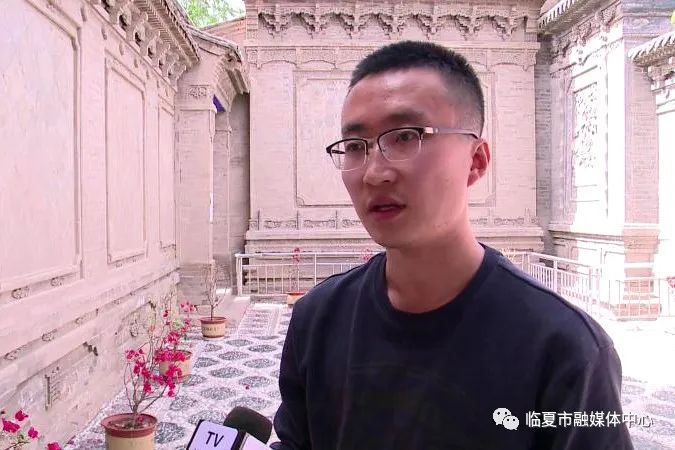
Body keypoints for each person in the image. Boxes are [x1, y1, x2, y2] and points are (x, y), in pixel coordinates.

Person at [270, 41, 633, 450]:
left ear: (475, 161)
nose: (374, 173)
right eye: (355, 146)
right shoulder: (317, 319)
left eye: (405, 136)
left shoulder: (566, 349)